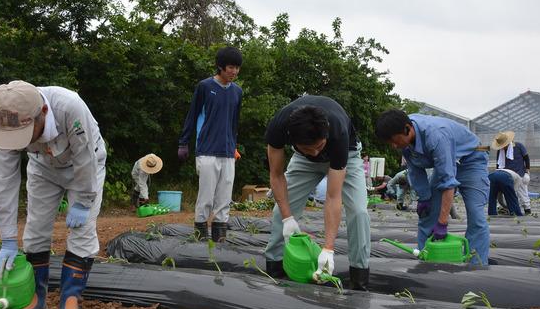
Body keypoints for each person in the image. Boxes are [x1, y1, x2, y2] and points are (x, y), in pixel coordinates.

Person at [0, 80, 106, 309]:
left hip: (84, 166)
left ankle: (70, 298)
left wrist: (84, 201)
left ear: (42, 113)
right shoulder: (5, 120)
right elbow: (2, 180)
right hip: (43, 166)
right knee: (36, 229)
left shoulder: (70, 108)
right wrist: (8, 238)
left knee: (82, 230)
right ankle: (36, 296)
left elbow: (85, 157)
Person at [264, 95, 370, 290]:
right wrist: (288, 219)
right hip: (302, 162)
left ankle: (359, 277)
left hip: (348, 154)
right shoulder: (278, 126)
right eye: (308, 148)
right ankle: (274, 269)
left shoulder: (337, 132)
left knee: (359, 212)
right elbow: (277, 175)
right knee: (281, 211)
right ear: (292, 138)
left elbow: (332, 196)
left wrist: (328, 248)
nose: (315, 153)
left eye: (318, 147)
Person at [375, 109, 490, 265]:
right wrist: (424, 198)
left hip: (471, 159)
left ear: (408, 129)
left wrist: (442, 223)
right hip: (447, 161)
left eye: (395, 141)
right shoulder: (405, 140)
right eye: (390, 143)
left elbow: (448, 184)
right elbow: (415, 171)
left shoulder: (435, 135)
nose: (394, 146)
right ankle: (426, 260)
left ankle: (476, 264)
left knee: (475, 214)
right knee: (427, 214)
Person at [177, 46, 243, 242]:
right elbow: (193, 115)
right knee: (206, 196)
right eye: (231, 67)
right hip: (206, 150)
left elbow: (234, 122)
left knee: (224, 197)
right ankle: (200, 235)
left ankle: (220, 235)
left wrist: (234, 145)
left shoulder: (237, 92)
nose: (234, 72)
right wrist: (184, 142)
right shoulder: (205, 87)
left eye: (237, 68)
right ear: (220, 67)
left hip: (227, 151)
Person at [492, 131, 531, 214]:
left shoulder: (519, 146)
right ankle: (506, 207)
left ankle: (527, 208)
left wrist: (527, 170)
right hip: (507, 174)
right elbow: (498, 163)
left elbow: (526, 157)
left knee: (522, 190)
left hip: (519, 172)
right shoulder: (500, 151)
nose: (502, 147)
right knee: (506, 191)